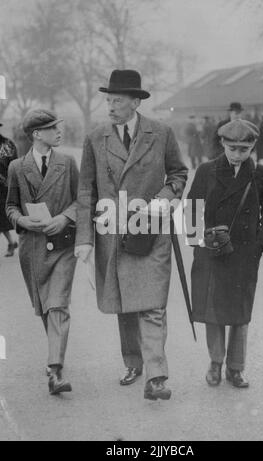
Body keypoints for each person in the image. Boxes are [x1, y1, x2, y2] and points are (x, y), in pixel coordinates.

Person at [75, 69, 188, 401]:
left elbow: (178, 174)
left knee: (152, 304)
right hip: (112, 233)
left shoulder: (161, 132)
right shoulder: (96, 138)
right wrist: (84, 238)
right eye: (108, 100)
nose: (110, 106)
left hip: (151, 232)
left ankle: (156, 376)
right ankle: (133, 362)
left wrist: (161, 202)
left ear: (136, 102)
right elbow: (85, 191)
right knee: (125, 303)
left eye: (118, 100)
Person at [187, 119, 263, 389]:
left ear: (252, 146)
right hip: (212, 251)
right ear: (222, 144)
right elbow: (192, 207)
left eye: (244, 149)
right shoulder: (206, 170)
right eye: (232, 148)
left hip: (244, 253)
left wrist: (260, 245)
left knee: (240, 312)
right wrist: (198, 243)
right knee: (213, 310)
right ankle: (215, 363)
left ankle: (236, 368)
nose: (238, 154)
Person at [6, 109, 79, 396]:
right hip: (32, 248)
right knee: (44, 308)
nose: (58, 132)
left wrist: (64, 219)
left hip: (62, 244)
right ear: (37, 135)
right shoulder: (17, 168)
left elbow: (81, 200)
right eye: (51, 128)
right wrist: (21, 220)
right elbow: (10, 205)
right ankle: (55, 356)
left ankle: (54, 370)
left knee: (58, 303)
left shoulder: (68, 162)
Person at [0, 123, 18, 257]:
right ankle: (11, 243)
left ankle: (17, 242)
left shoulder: (7, 144)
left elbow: (14, 164)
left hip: (5, 186)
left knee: (8, 216)